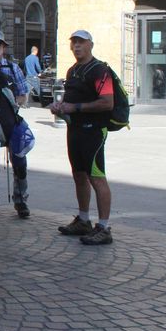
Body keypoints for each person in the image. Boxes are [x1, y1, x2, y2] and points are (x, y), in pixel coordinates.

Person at [50, 30, 115, 246]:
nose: (76, 46)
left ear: (90, 45)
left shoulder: (100, 70)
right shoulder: (73, 70)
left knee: (96, 177)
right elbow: (71, 100)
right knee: (79, 175)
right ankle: (84, 220)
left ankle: (104, 227)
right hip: (75, 129)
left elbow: (107, 102)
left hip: (94, 131)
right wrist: (60, 107)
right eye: (74, 42)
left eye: (81, 42)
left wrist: (75, 107)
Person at [0, 30, 31, 218]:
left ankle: (21, 199)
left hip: (9, 121)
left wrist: (13, 106)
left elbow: (23, 94)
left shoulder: (13, 68)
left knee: (19, 161)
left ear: (3, 47)